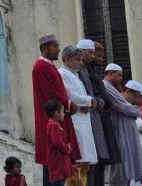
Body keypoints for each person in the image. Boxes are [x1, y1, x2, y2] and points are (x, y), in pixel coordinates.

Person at [32, 34, 80, 184]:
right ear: (44, 48)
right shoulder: (40, 66)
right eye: (55, 46)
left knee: (60, 162)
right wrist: (69, 104)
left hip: (59, 114)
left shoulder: (50, 66)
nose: (59, 49)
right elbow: (50, 93)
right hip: (50, 118)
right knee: (52, 162)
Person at [77, 40, 120, 186]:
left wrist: (104, 103)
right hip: (92, 117)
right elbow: (89, 95)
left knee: (100, 158)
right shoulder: (81, 70)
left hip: (100, 117)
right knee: (93, 159)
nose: (97, 58)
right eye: (93, 53)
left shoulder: (90, 70)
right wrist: (103, 103)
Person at [58, 46, 98, 184]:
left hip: (84, 122)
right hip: (75, 123)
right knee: (75, 164)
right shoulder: (62, 73)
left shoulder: (75, 75)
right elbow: (70, 95)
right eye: (78, 59)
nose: (81, 63)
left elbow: (81, 97)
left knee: (84, 165)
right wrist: (89, 100)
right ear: (67, 59)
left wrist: (87, 102)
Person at [103, 67, 142, 185]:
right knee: (119, 170)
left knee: (126, 171)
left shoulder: (118, 94)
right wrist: (134, 110)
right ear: (128, 92)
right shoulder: (107, 87)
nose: (121, 78)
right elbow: (126, 108)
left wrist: (134, 110)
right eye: (119, 75)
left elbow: (132, 110)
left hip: (128, 139)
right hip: (119, 135)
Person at [45, 100, 74, 186]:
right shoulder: (53, 125)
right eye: (62, 112)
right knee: (58, 182)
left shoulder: (55, 125)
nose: (64, 114)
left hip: (60, 161)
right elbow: (57, 142)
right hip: (58, 161)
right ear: (57, 113)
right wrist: (67, 148)